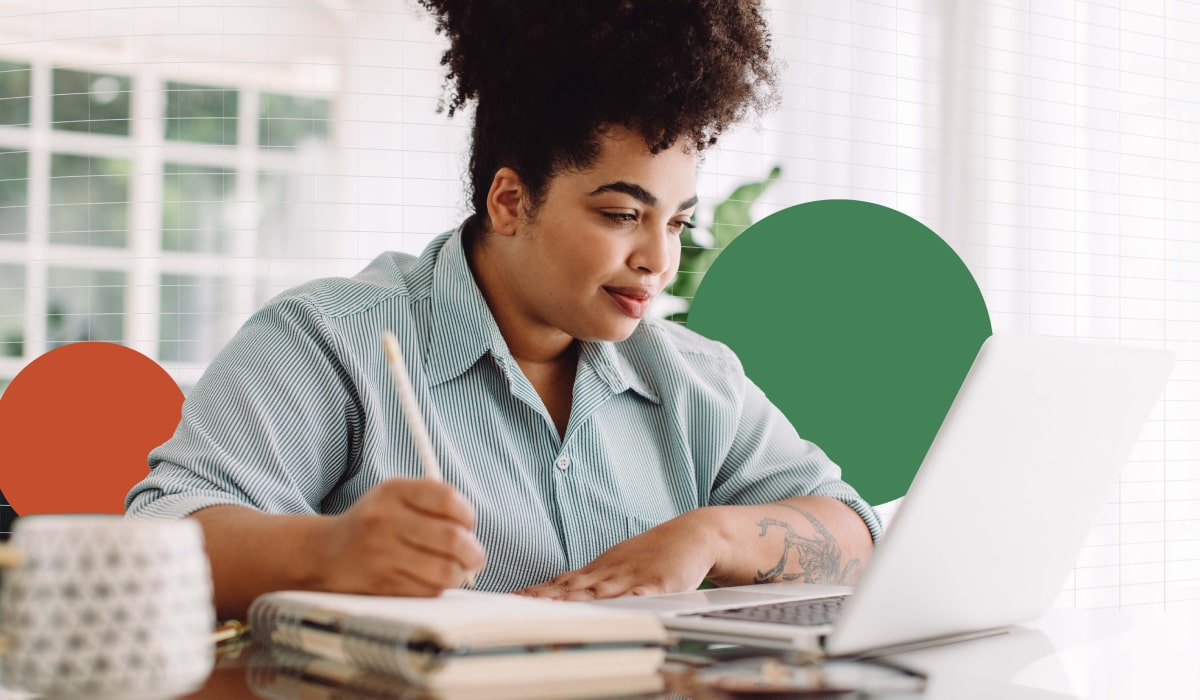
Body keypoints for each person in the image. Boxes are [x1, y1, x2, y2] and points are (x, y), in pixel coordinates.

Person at [127, 0, 881, 619]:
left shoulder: (696, 381)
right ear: (511, 200)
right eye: (623, 214)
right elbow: (155, 540)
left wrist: (709, 535)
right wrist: (328, 552)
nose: (659, 259)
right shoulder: (330, 341)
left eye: (678, 221)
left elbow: (854, 532)